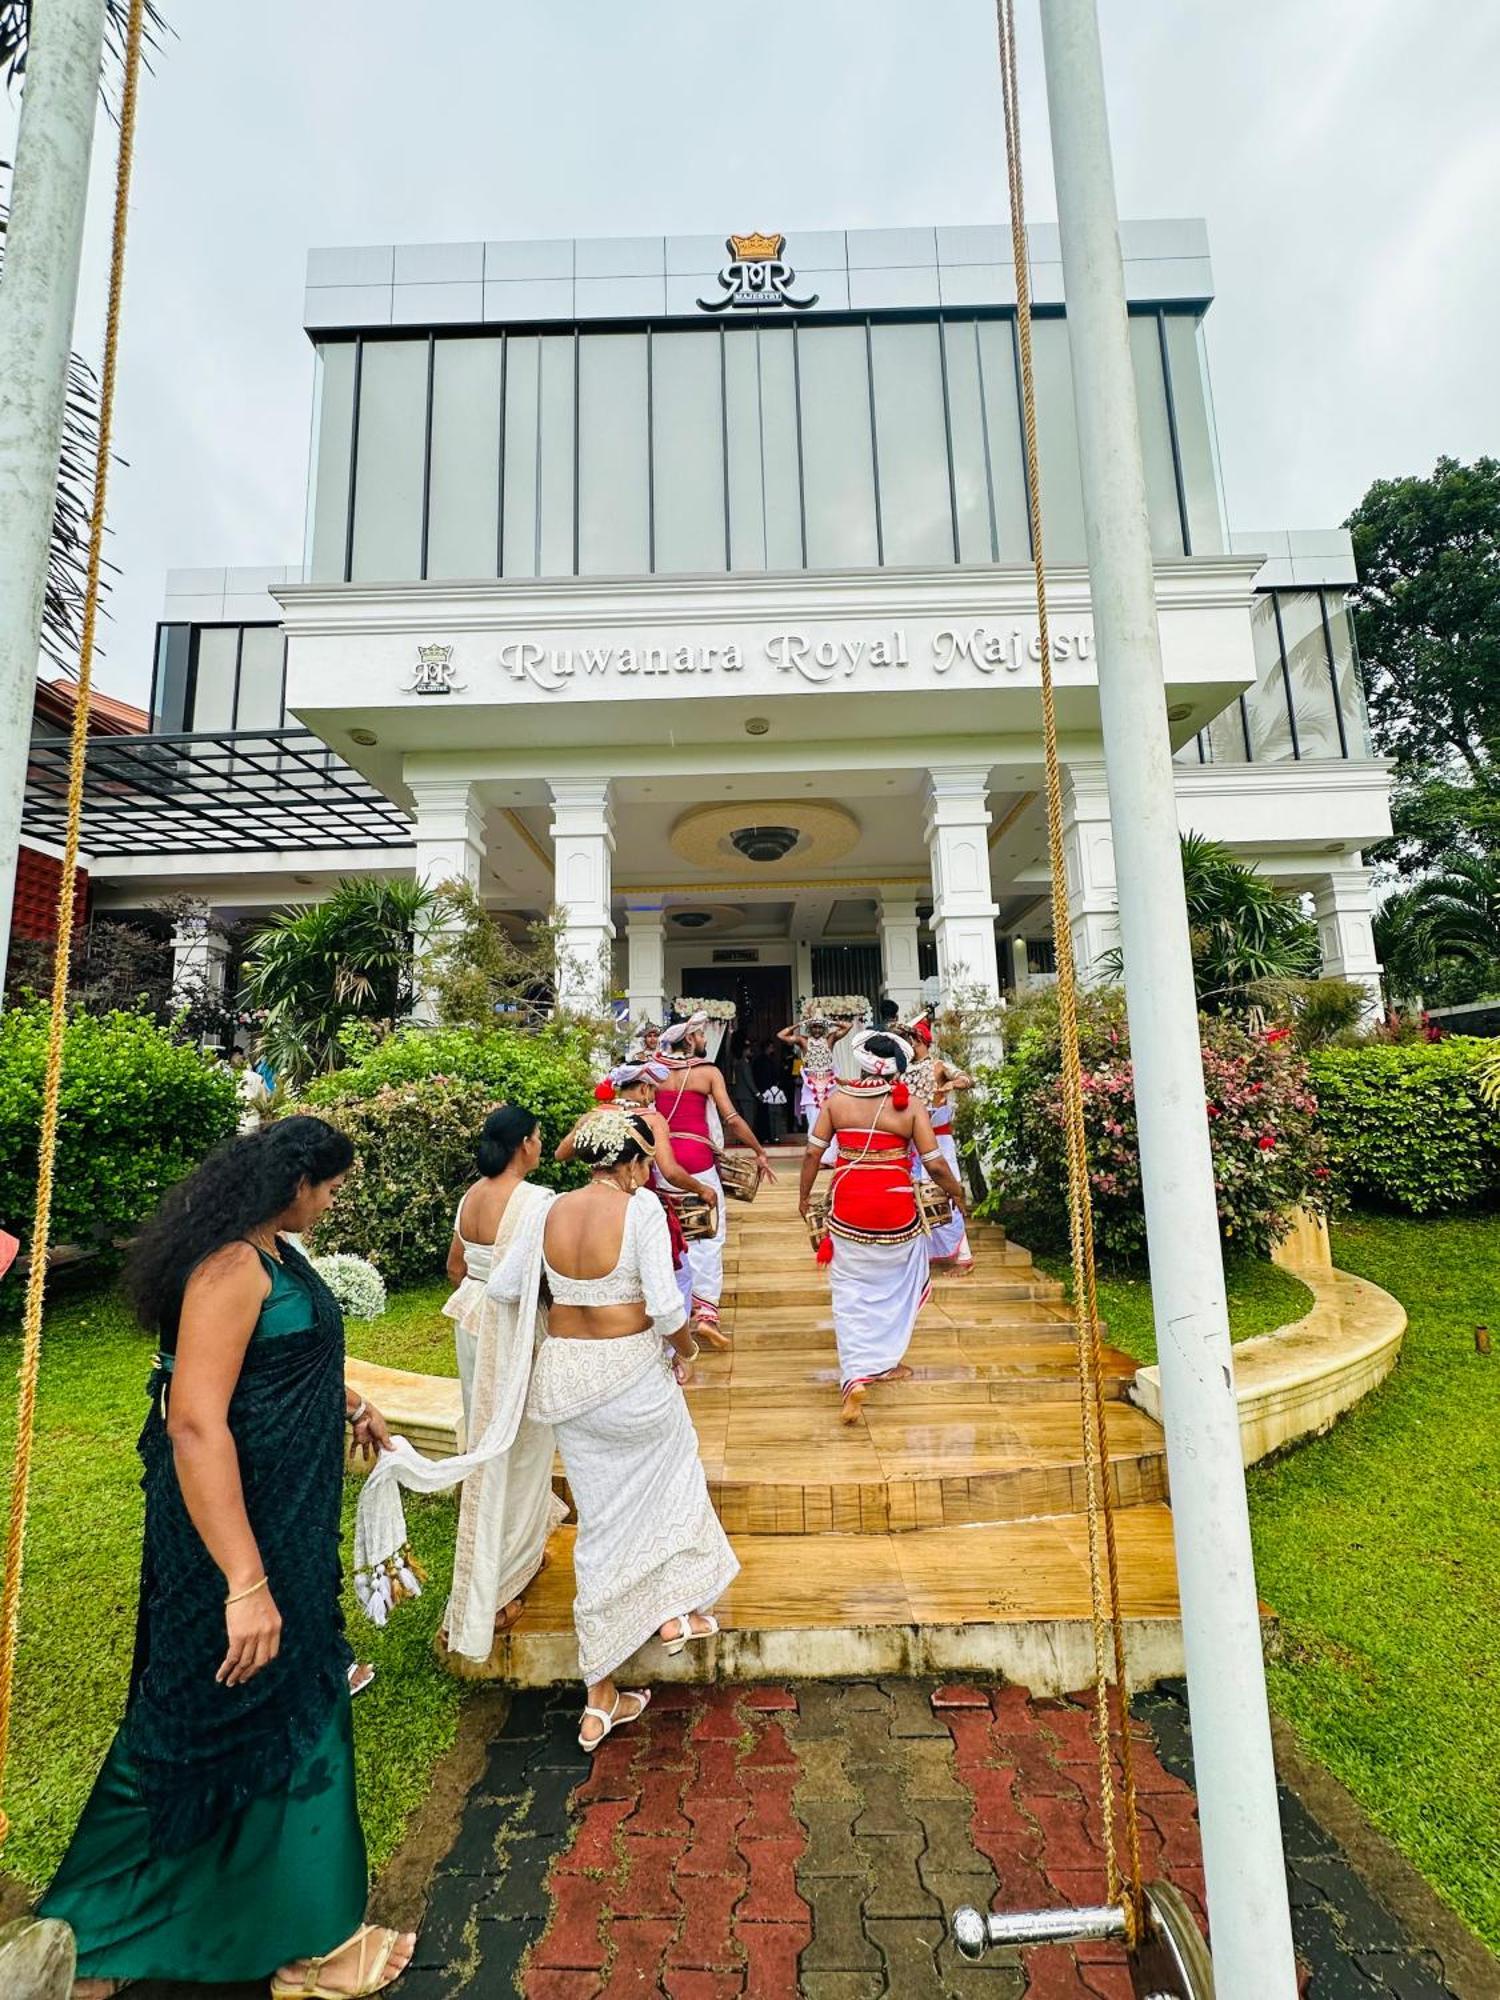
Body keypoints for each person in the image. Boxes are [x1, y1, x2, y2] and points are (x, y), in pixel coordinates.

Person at [40, 1117, 415, 1998]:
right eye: (329, 1189)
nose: (330, 1204)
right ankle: (280, 1942)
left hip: (285, 1519)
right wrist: (245, 1583)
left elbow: (278, 1361)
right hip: (231, 1533)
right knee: (217, 1701)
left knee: (290, 1691)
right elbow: (195, 1421)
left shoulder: (273, 1251)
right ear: (294, 1184)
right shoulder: (228, 1269)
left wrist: (349, 1399)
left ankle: (287, 1927)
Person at [489, 1108, 738, 1749]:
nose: (645, 1174)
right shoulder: (642, 1210)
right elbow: (664, 1306)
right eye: (644, 1164)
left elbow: (507, 1287)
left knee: (602, 1521)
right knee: (673, 1480)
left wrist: (569, 1302)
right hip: (630, 1378)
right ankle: (675, 1613)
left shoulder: (545, 1208)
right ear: (629, 1164)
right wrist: (686, 1351)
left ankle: (601, 1694)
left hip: (568, 1380)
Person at [441, 1105, 567, 1651]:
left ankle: (513, 1553)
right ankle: (497, 1586)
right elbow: (550, 1282)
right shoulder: (537, 1202)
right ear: (524, 1144)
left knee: (490, 1437)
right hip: (513, 1327)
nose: (541, 1146)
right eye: (539, 1138)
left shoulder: (472, 1195)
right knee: (519, 1446)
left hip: (471, 1318)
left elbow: (455, 1267)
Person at [798, 1032, 966, 1425]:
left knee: (851, 1293)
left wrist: (803, 1197)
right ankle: (883, 1363)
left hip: (848, 1211)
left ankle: (857, 1374)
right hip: (896, 1211)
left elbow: (811, 1152)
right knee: (895, 1288)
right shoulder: (909, 1108)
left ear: (859, 1062)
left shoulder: (837, 1101)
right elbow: (936, 1165)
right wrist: (958, 1195)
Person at [558, 1061, 726, 1350]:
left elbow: (562, 1153)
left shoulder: (596, 1116)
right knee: (679, 1274)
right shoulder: (651, 1119)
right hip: (642, 1206)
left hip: (597, 1207)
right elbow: (670, 1171)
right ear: (645, 1088)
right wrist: (703, 1189)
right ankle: (673, 1350)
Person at [656, 1013, 776, 1338]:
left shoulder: (652, 1071)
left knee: (669, 1232)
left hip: (661, 1163)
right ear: (691, 1038)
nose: (706, 1040)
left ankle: (672, 1309)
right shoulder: (707, 1072)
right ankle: (706, 1312)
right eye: (702, 1035)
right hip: (697, 1162)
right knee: (709, 1233)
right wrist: (758, 1151)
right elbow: (733, 1119)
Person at [906, 1018, 976, 1273]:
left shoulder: (939, 1065)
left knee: (947, 1192)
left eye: (914, 1041)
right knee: (918, 1197)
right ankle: (922, 1255)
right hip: (913, 1143)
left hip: (939, 1141)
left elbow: (967, 1079)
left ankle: (964, 1257)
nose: (911, 1045)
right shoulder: (903, 1070)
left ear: (924, 1041)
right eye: (909, 1041)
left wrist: (950, 1084)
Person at [778, 1014, 849, 1132]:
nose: (817, 1030)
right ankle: (814, 1148)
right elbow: (780, 1035)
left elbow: (848, 1026)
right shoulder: (803, 1040)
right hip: (811, 1086)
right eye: (814, 1027)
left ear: (824, 1028)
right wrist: (799, 1024)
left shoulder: (830, 1038)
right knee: (813, 1120)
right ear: (809, 1028)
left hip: (829, 1085)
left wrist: (828, 1021)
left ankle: (831, 1149)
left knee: (831, 1119)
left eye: (820, 1027)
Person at [229, 1046, 270, 1134]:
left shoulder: (226, 1077)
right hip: (253, 1121)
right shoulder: (257, 1077)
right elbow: (264, 1101)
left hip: (233, 1121)